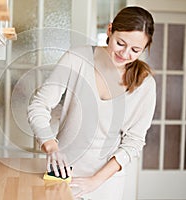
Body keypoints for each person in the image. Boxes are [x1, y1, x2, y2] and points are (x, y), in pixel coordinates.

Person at [27, 6, 156, 200]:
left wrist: (95, 181)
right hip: (63, 175)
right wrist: (51, 146)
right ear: (110, 30)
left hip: (107, 183)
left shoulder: (145, 84)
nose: (125, 53)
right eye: (121, 43)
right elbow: (39, 105)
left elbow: (134, 142)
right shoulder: (77, 59)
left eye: (135, 50)